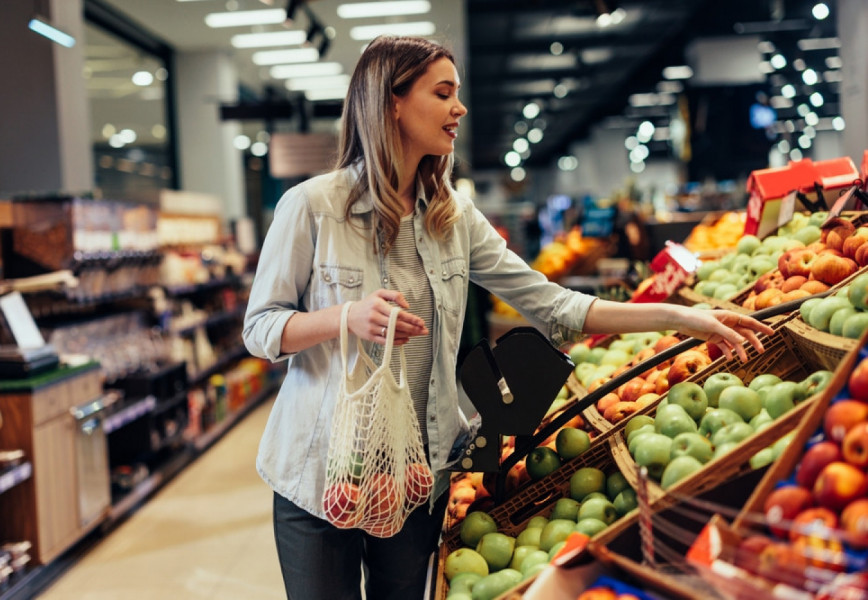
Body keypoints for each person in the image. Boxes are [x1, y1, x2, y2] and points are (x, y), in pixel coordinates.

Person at [242, 35, 774, 600]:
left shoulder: (454, 218)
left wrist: (684, 317)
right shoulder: (312, 207)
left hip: (420, 476)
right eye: (443, 93)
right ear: (391, 102)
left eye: (458, 93)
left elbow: (554, 304)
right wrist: (343, 317)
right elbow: (261, 328)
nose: (459, 108)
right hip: (321, 471)